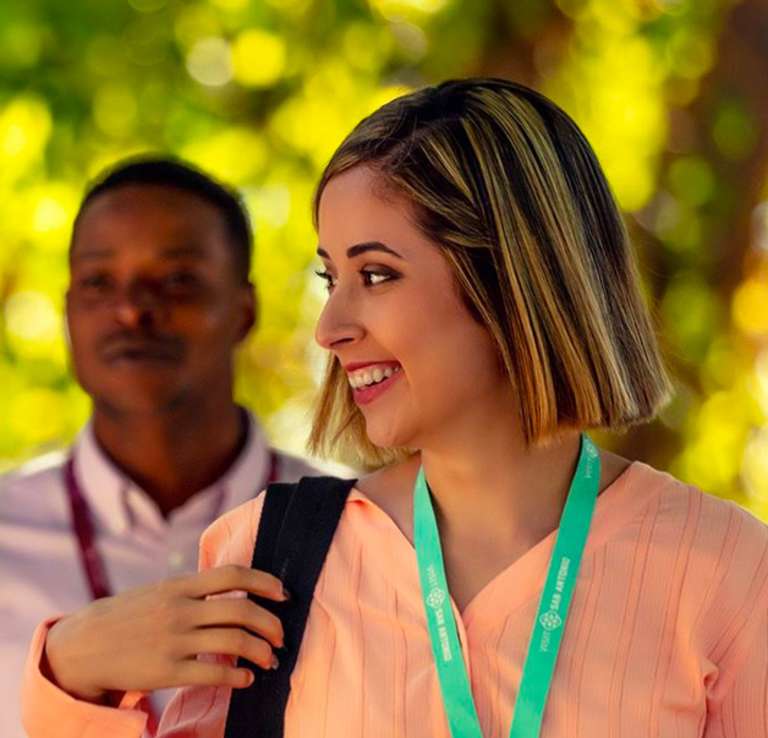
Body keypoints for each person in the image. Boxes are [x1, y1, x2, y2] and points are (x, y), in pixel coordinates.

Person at [21, 80, 768, 737]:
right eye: (331, 279)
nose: (329, 328)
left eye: (376, 274)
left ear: (509, 278)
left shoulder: (729, 570)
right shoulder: (267, 556)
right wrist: (68, 673)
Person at [0, 158, 318, 738]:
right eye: (99, 282)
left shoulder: (351, 527)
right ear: (69, 311)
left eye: (177, 280)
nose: (132, 309)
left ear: (245, 310)